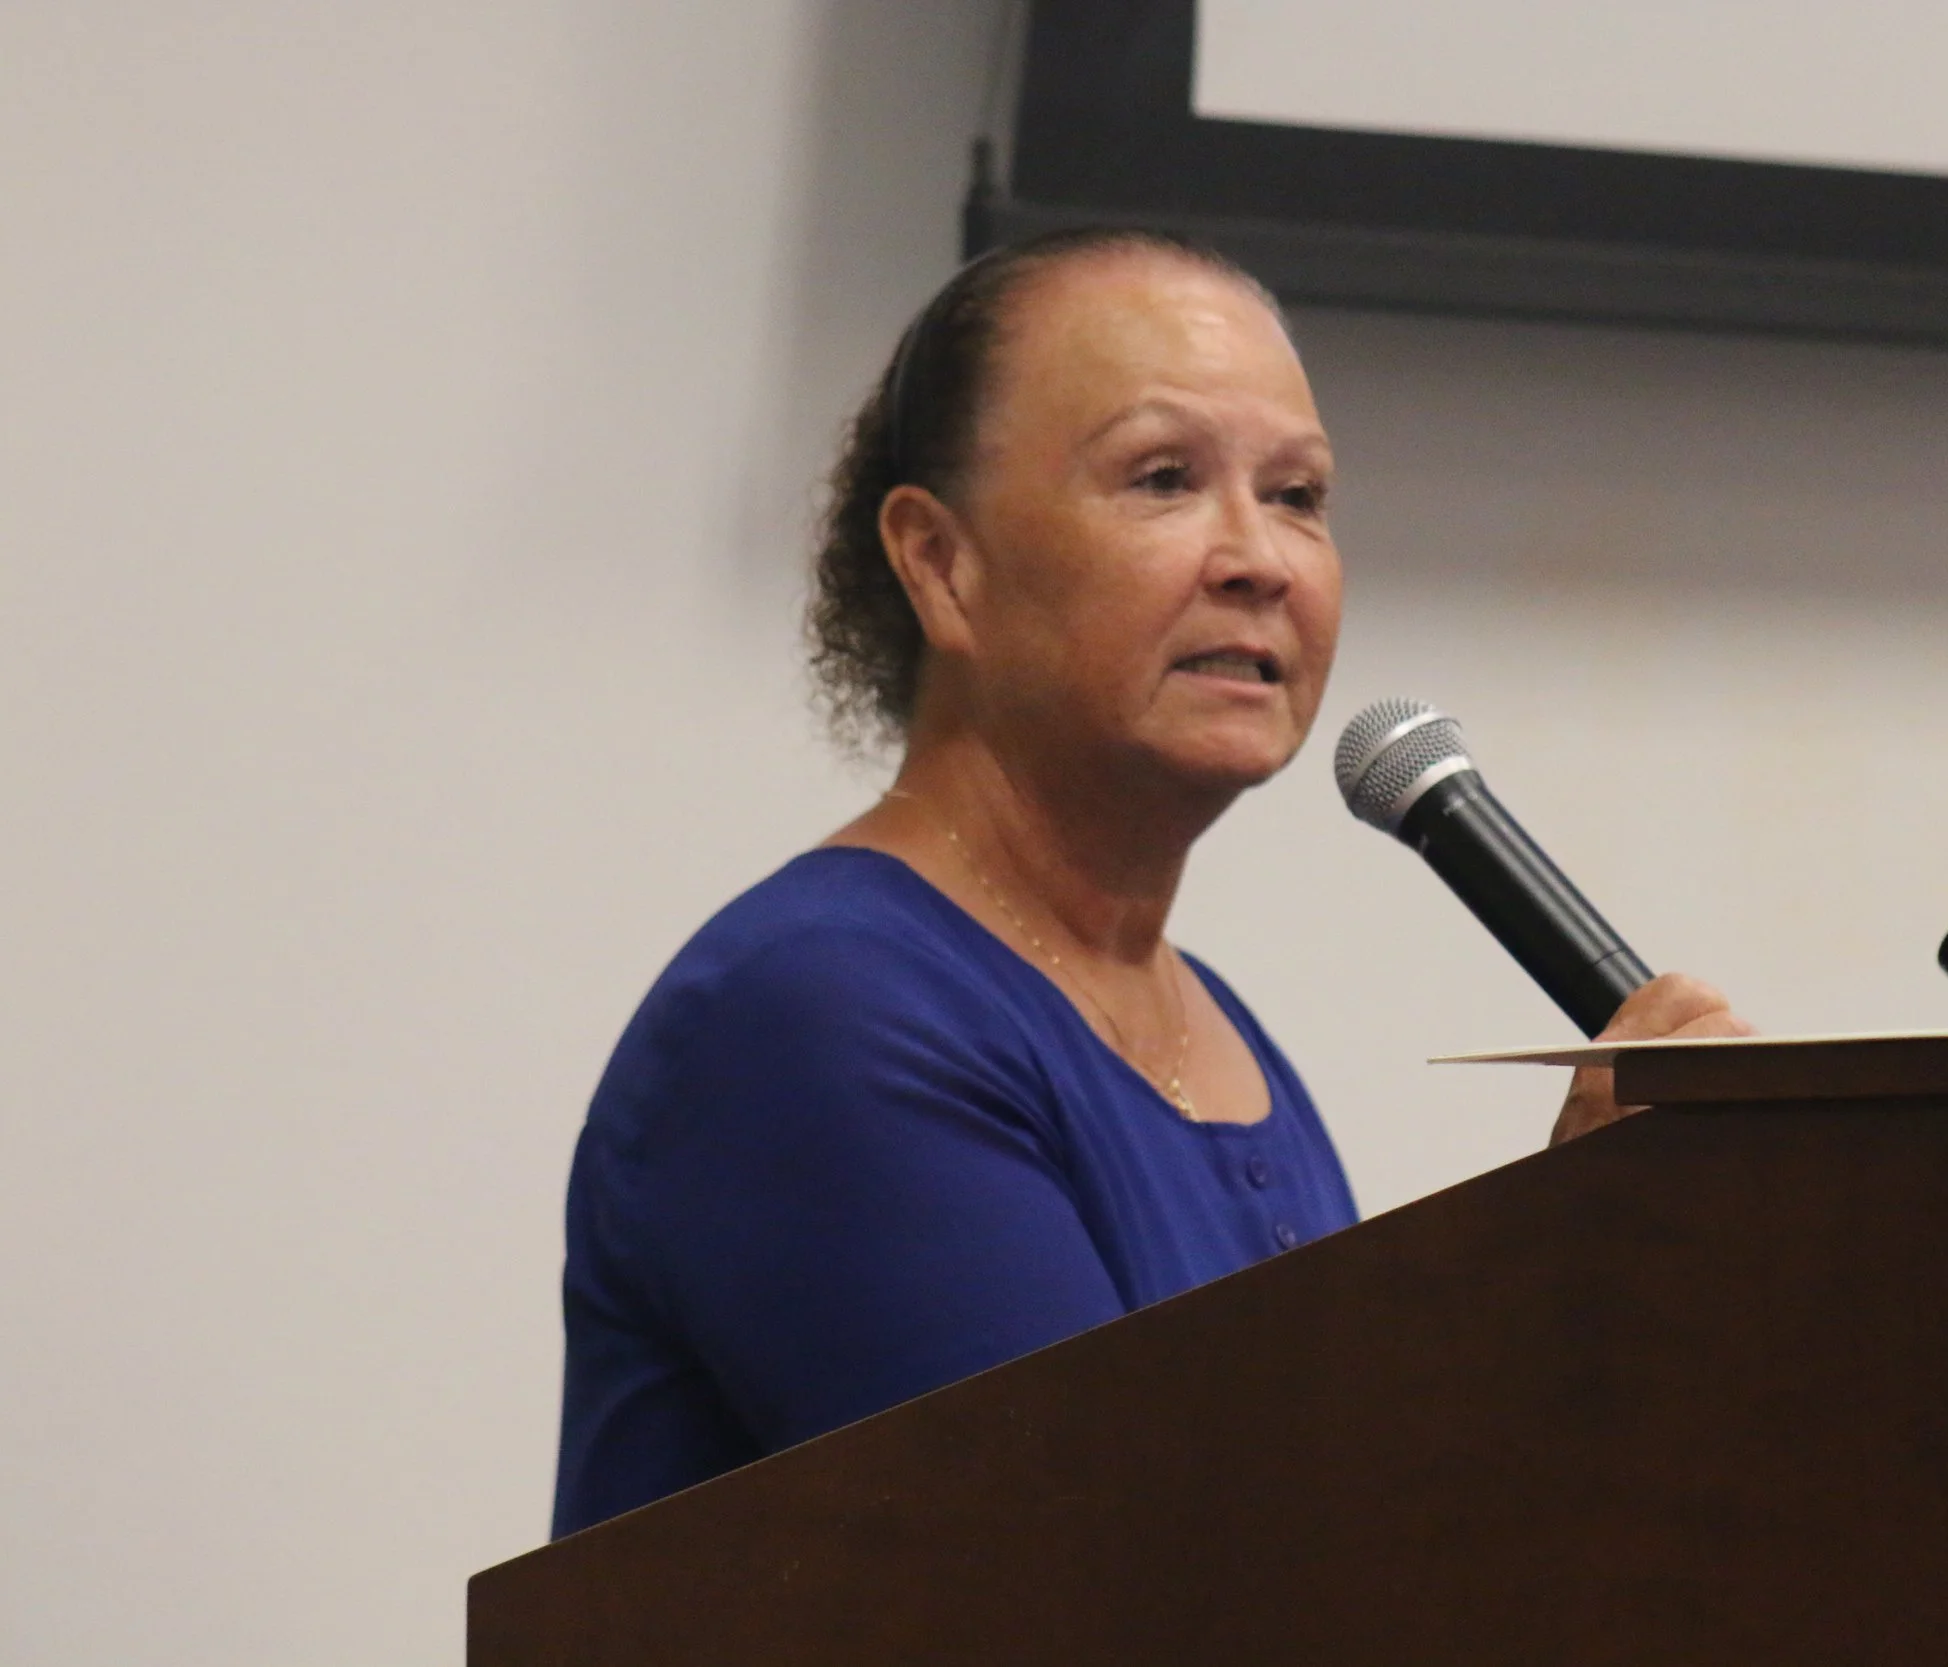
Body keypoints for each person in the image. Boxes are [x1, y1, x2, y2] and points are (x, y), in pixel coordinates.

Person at [551, 228, 1749, 1537]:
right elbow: (1109, 1573)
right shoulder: (818, 1011)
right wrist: (1557, 1281)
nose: (1262, 559)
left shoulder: (1217, 1030)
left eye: (1298, 495)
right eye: (1165, 476)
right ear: (941, 562)